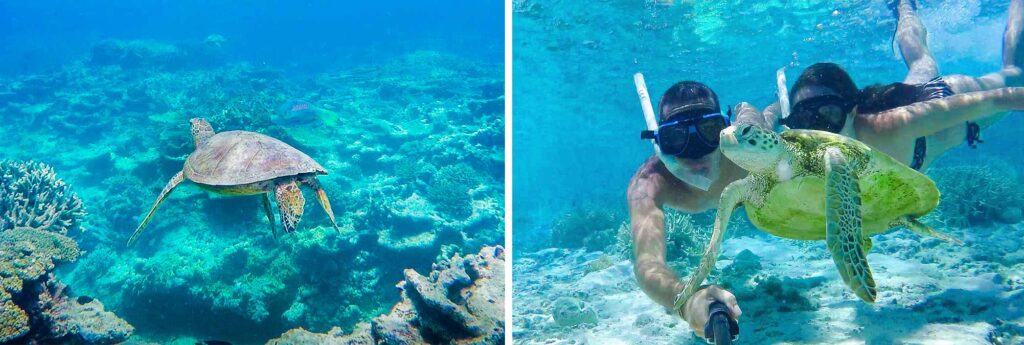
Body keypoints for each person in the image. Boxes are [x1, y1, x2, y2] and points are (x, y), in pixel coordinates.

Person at [781, 0, 1024, 171]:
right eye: (803, 120)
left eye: (828, 115)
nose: (817, 131)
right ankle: (904, 6)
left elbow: (997, 99)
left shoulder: (889, 128)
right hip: (911, 95)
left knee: (1015, 72)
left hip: (949, 100)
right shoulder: (797, 149)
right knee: (920, 61)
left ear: (852, 110)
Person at [628, 81, 765, 337]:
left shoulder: (745, 150)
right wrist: (686, 301)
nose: (695, 153)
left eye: (709, 130)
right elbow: (647, 263)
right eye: (676, 138)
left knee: (765, 120)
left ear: (725, 129)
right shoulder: (649, 184)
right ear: (659, 141)